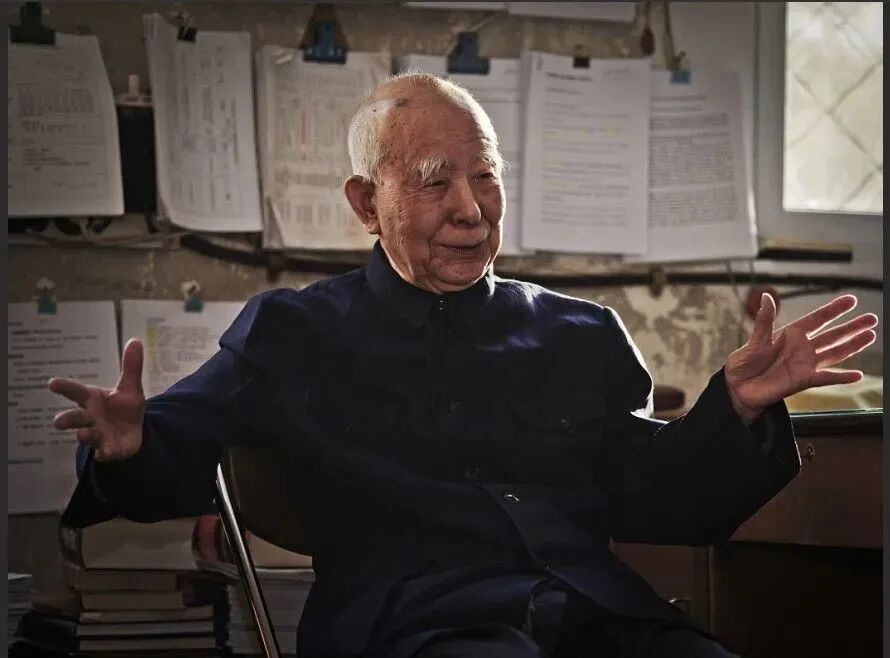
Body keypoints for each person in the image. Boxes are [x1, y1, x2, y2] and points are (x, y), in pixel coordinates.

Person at [51, 74, 878, 658]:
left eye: (486, 177)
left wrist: (735, 405)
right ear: (366, 202)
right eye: (433, 182)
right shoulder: (292, 333)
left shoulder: (580, 332)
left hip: (599, 618)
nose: (471, 210)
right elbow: (173, 451)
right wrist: (126, 445)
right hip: (415, 629)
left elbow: (664, 501)